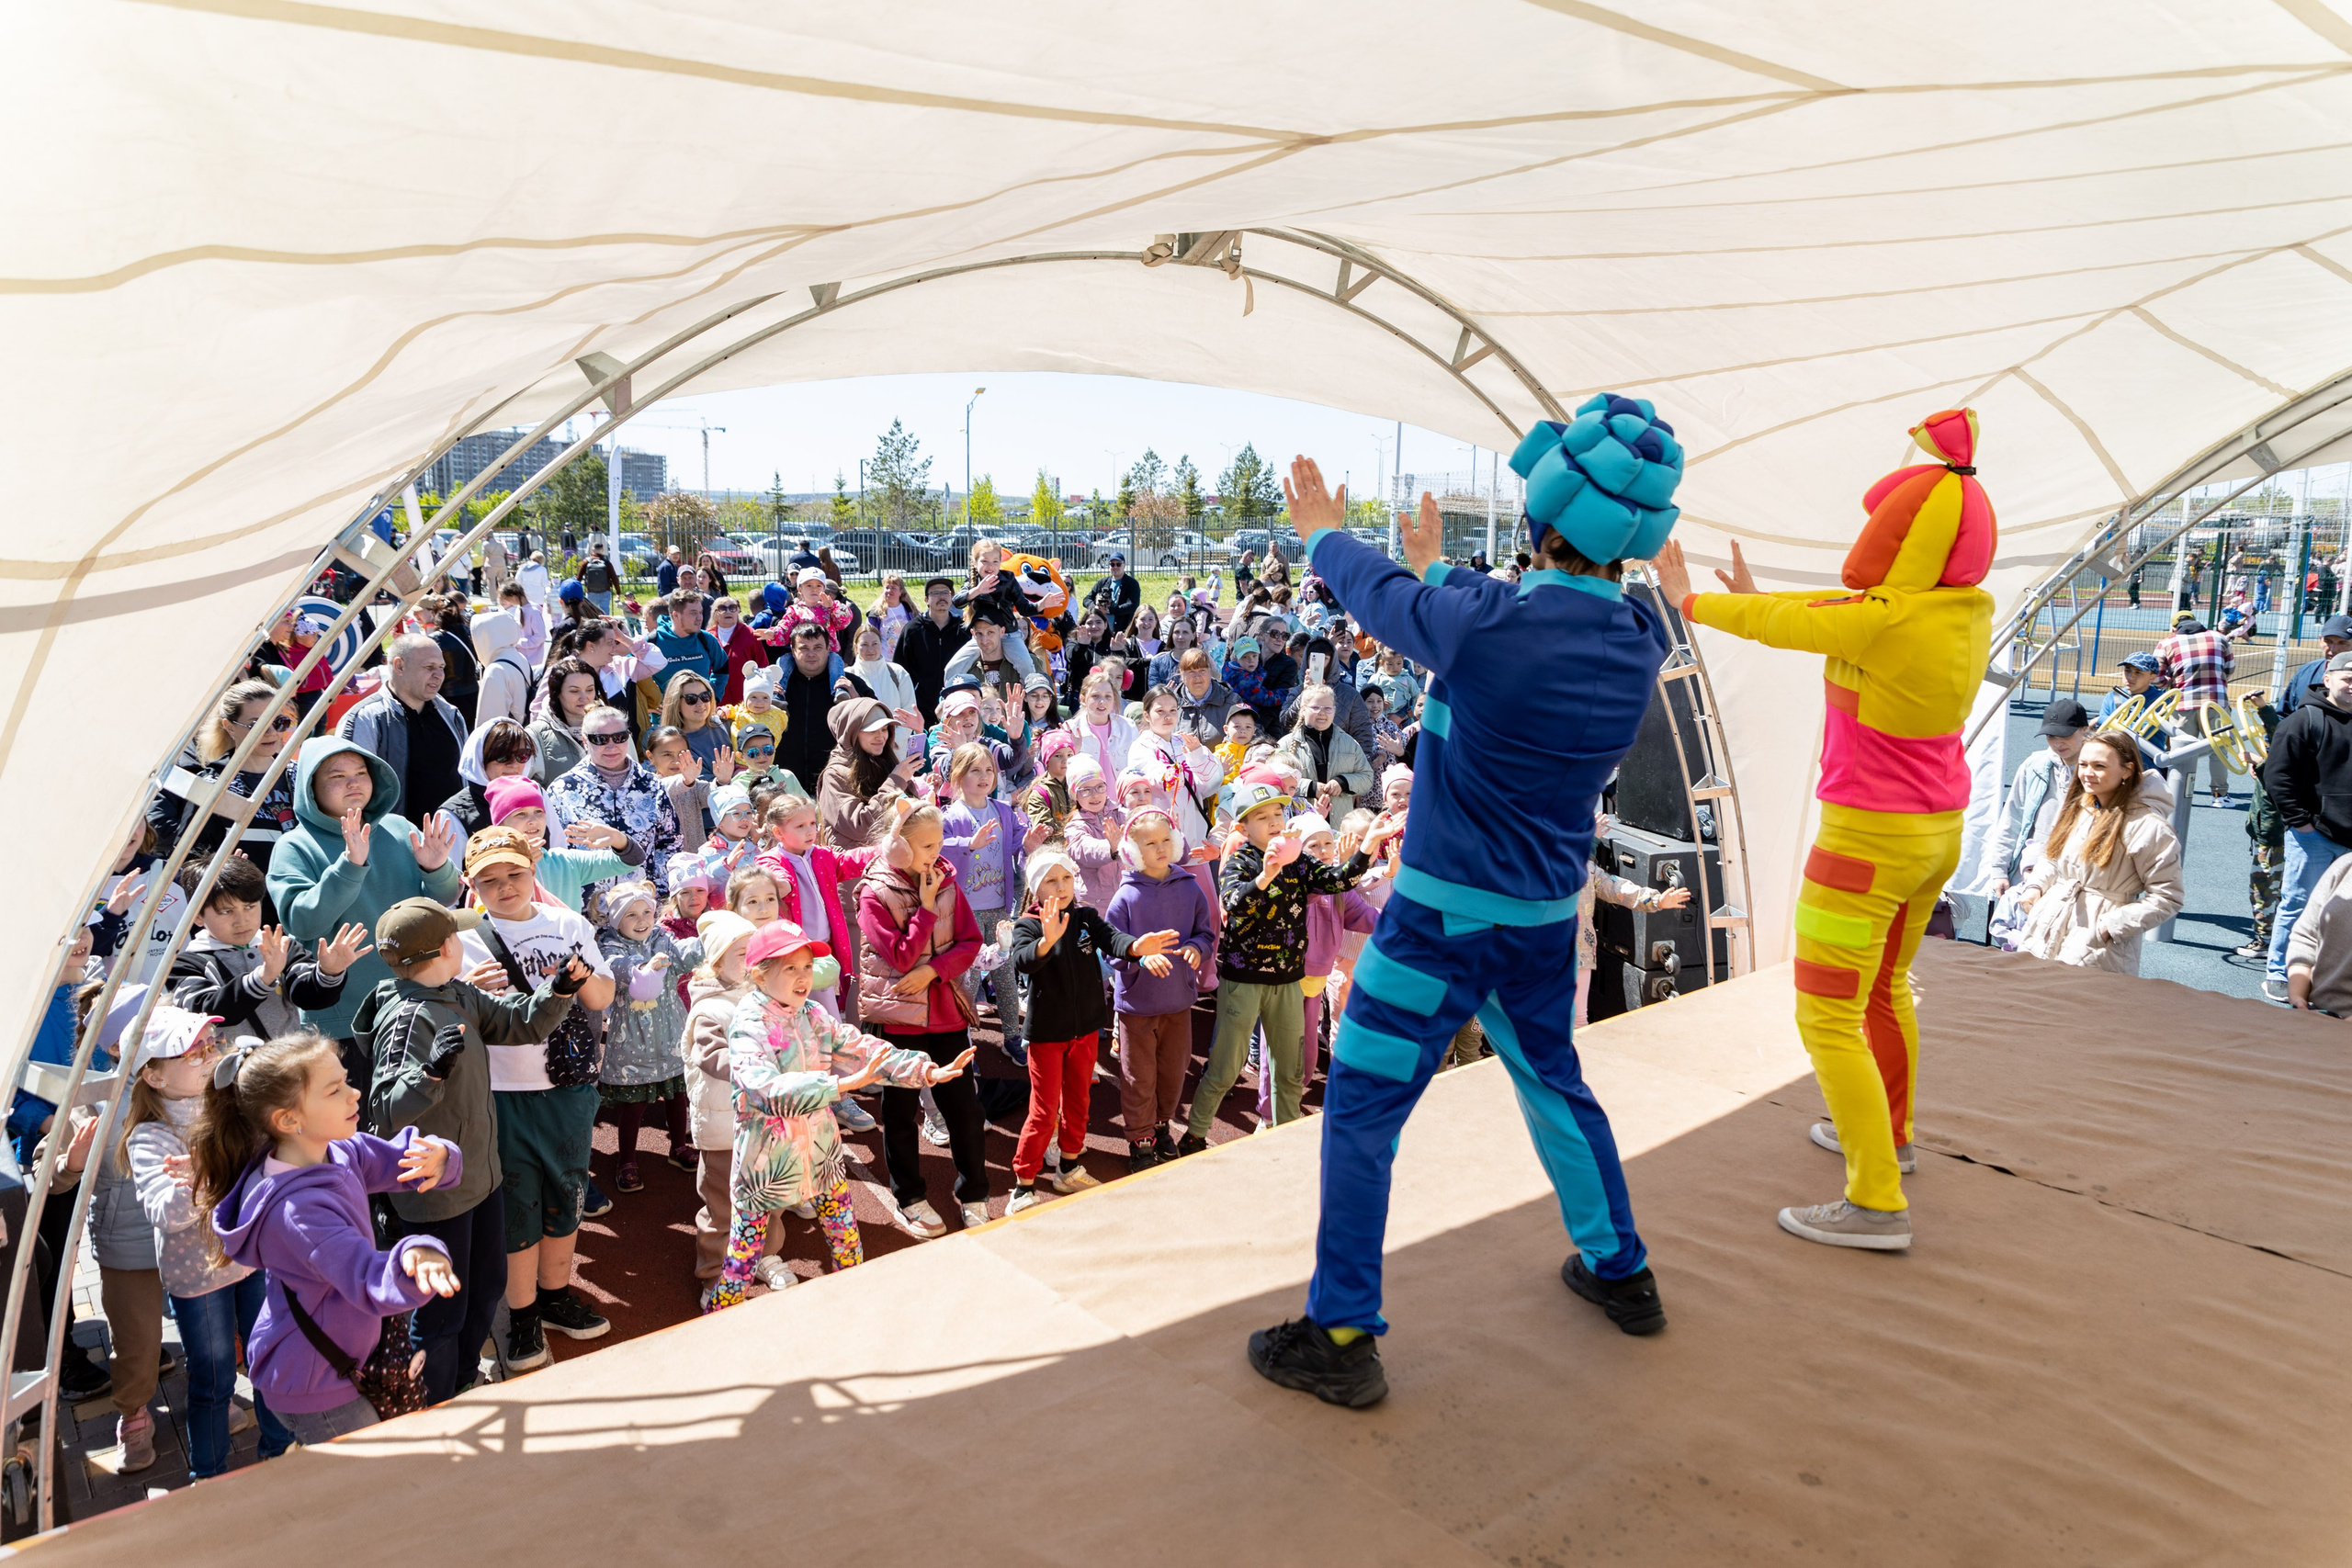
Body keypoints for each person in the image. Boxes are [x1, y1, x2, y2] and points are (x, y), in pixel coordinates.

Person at [1252, 407, 1692, 1409]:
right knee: (1555, 1088)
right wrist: (1440, 567)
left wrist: (1324, 527)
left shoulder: (1486, 626)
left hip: (1437, 925)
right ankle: (1621, 1270)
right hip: (1542, 922)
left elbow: (1379, 593)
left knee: (1361, 1115)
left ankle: (1340, 1330)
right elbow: (1491, 611)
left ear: (1537, 519)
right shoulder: (1634, 637)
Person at [1658, 407, 1994, 1261]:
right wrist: (1748, 602)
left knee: (1827, 1015)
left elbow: (1812, 621)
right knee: (1886, 990)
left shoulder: (1884, 617)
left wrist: (1690, 600)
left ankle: (1876, 1199)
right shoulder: (1959, 613)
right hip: (1935, 836)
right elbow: (1830, 611)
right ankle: (1893, 1134)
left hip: (1865, 845)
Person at [356, 893, 586, 1401]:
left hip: (479, 1177)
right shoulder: (409, 1018)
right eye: (457, 936)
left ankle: (459, 1379)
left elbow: (519, 1024)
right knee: (441, 1312)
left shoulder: (456, 993)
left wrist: (560, 989)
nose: (463, 942)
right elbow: (384, 1112)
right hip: (436, 1194)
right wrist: (430, 1072)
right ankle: (435, 1400)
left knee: (485, 1288)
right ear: (442, 948)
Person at [198, 1032, 461, 1443]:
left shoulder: (336, 1150)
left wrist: (439, 1156)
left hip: (333, 1363)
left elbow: (400, 1161)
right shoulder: (298, 1214)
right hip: (316, 1384)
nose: (355, 1094)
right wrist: (420, 1249)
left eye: (346, 1081)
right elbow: (366, 1276)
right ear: (289, 1120)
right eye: (335, 1089)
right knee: (373, 1488)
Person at [706, 920, 967, 1310]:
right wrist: (837, 1087)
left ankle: (852, 1304)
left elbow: (862, 1048)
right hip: (766, 1164)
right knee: (743, 1261)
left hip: (822, 1152)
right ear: (759, 974)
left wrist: (925, 1070)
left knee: (846, 1240)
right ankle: (718, 1317)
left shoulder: (812, 1013)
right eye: (790, 968)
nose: (803, 977)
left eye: (807, 967)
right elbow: (760, 1088)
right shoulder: (748, 1023)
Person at [449, 830, 618, 1371]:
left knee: (566, 1194)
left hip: (567, 1087)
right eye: (488, 879)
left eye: (514, 874)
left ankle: (554, 1295)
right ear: (468, 883)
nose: (504, 887)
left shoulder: (568, 924)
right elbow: (448, 1018)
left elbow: (603, 996)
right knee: (517, 1206)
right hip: (500, 1092)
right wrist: (468, 990)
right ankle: (521, 1316)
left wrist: (575, 976)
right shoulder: (463, 936)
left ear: (533, 869)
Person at [121, 1010, 298, 1475]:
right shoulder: (150, 1136)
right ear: (154, 1075)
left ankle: (280, 1456)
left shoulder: (234, 1107)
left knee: (270, 1358)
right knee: (214, 1379)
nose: (208, 1054)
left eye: (210, 1044)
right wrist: (204, 1177)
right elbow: (164, 1213)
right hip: (198, 1279)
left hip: (253, 1260)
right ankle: (210, 1476)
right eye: (192, 1050)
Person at [266, 739, 462, 1093]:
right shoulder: (294, 846)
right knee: (359, 1132)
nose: (354, 783)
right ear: (310, 788)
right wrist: (350, 865)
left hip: (417, 1005)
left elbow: (444, 900)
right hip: (343, 1020)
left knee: (422, 1124)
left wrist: (436, 870)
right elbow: (302, 922)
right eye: (337, 776)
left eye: (361, 773)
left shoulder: (399, 828)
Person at [1003, 851, 1176, 1213]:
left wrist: (1134, 946)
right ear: (1036, 889)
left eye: (1066, 878)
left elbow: (1111, 938)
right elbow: (1023, 961)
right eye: (1051, 880)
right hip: (1048, 1036)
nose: (1061, 886)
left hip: (1083, 1033)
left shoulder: (1084, 918)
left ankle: (1068, 1167)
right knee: (1044, 1109)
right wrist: (1046, 941)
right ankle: (1023, 1184)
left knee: (1079, 1102)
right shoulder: (1029, 926)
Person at [854, 803, 988, 1238]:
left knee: (964, 1111)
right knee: (900, 1112)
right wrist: (926, 908)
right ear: (898, 847)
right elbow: (900, 956)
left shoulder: (946, 879)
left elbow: (970, 941)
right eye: (927, 845)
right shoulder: (874, 893)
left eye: (939, 842)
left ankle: (974, 1193)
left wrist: (935, 971)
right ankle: (909, 1196)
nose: (937, 852)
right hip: (899, 1022)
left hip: (945, 1015)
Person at [2010, 728, 2184, 973]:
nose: (2087, 774)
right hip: (2048, 924)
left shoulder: (2148, 826)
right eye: (2083, 764)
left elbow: (2168, 897)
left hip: (2097, 944)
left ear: (2127, 770)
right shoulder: (2079, 809)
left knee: (2079, 1007)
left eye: (2099, 766)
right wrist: (2035, 888)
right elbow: (2053, 857)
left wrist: (2111, 926)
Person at [1102, 808, 1215, 1169]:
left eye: (1167, 840)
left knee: (1173, 1070)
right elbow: (1112, 947)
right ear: (1132, 851)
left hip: (1179, 1001)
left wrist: (1198, 948)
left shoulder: (1190, 886)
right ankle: (1140, 1138)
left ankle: (1162, 1124)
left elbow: (1206, 932)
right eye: (1150, 843)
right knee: (1139, 1075)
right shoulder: (1125, 897)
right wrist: (1137, 957)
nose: (1161, 848)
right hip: (1137, 1006)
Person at [168, 854, 367, 1043]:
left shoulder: (281, 946)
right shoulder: (186, 964)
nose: (242, 920)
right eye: (227, 911)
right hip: (227, 1074)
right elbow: (207, 1012)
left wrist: (328, 972)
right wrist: (263, 977)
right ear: (197, 916)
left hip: (288, 1065)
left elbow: (309, 998)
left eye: (250, 906)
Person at [148, 681, 303, 902]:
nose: (271, 732)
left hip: (303, 907)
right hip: (245, 912)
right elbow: (191, 862)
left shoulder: (301, 775)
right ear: (229, 727)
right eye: (256, 724)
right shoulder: (213, 786)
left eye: (279, 722)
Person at [940, 743, 1045, 1059]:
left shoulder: (1002, 810)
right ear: (958, 776)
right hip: (965, 913)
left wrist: (1027, 843)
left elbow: (1015, 847)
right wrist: (968, 844)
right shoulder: (951, 816)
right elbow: (939, 849)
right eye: (975, 770)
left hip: (999, 908)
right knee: (967, 980)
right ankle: (962, 1040)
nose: (985, 776)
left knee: (1005, 976)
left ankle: (1013, 1037)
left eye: (989, 770)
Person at [2260, 649, 2352, 1003]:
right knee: (2298, 905)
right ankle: (2281, 974)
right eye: (2347, 678)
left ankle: (2331, 978)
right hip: (2314, 837)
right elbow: (2277, 776)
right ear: (2328, 679)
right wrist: (2301, 823)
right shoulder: (2304, 721)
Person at [595, 882, 698, 1195]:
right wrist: (644, 969)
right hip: (633, 1041)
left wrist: (708, 941)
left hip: (671, 1033)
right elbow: (620, 970)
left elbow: (683, 956)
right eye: (631, 915)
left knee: (678, 1095)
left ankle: (678, 1147)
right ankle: (627, 1160)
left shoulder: (662, 938)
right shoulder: (610, 947)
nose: (642, 920)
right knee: (634, 1104)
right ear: (615, 920)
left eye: (647, 912)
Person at [543, 704, 686, 901]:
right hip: (587, 909)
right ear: (585, 741)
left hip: (642, 908)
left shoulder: (652, 785)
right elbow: (554, 853)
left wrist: (658, 890)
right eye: (600, 739)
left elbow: (671, 842)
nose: (611, 746)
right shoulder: (562, 789)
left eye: (619, 737)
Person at [337, 633, 469, 819]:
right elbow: (348, 792)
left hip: (450, 839)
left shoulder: (450, 714)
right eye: (429, 667)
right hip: (393, 842)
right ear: (399, 666)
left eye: (441, 667)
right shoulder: (366, 719)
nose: (439, 675)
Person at [1979, 697, 2092, 895]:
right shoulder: (2034, 766)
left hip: (2078, 876)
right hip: (2030, 872)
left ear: (2085, 729)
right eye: (2051, 735)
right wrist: (1999, 870)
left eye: (2065, 734)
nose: (2058, 742)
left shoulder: (2098, 769)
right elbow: (2012, 818)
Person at [779, 624, 876, 796]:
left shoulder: (849, 684)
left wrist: (856, 699)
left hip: (837, 781)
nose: (811, 654)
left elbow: (876, 721)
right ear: (793, 650)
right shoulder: (778, 686)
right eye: (804, 648)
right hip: (786, 783)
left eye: (817, 647)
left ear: (828, 649)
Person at [2154, 613, 2237, 807]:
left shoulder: (2167, 643)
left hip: (2182, 704)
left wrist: (2170, 681)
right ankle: (2220, 796)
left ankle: (2176, 794)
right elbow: (2230, 669)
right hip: (2216, 702)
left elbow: (2157, 678)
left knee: (2180, 752)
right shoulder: (2220, 638)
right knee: (2219, 748)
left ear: (2175, 628)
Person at [1276, 683, 1374, 822]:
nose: (1322, 713)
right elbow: (1275, 781)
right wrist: (1310, 787)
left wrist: (1343, 782)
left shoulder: (1349, 743)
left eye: (1328, 708)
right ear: (1303, 710)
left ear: (1334, 711)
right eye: (1315, 708)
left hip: (1339, 825)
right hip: (1301, 826)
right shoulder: (1285, 744)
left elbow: (1367, 777)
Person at [441, 716, 537, 840]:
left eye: (522, 755)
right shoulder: (453, 816)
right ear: (480, 759)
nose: (514, 765)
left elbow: (558, 849)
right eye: (503, 757)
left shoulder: (538, 794)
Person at [897, 576, 971, 724]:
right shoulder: (912, 630)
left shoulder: (963, 629)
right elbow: (900, 669)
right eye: (935, 593)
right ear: (926, 600)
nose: (942, 597)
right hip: (920, 707)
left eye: (946, 592)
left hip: (957, 707)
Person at [848, 619, 922, 762]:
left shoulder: (897, 673)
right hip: (862, 755)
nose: (870, 649)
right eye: (864, 644)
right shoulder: (848, 675)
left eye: (875, 644)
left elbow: (910, 710)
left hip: (896, 754)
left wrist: (893, 741)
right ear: (856, 647)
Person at [529, 655, 602, 784]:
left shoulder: (613, 725)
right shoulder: (535, 735)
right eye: (574, 691)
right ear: (557, 694)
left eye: (590, 690)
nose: (584, 698)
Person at [1070, 668, 1139, 778]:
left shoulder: (1128, 727)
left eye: (1108, 696)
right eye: (1095, 696)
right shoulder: (1071, 729)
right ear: (1083, 699)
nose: (1102, 702)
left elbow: (1138, 765)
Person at [2279, 614, 2352, 715]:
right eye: (2328, 641)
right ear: (2320, 640)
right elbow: (2283, 714)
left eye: (2342, 643)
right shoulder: (2305, 672)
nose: (2333, 649)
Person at [707, 595, 768, 705]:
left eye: (732, 607)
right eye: (722, 608)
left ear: (737, 611)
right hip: (716, 700)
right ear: (715, 613)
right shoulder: (707, 637)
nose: (728, 611)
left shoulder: (749, 633)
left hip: (745, 699)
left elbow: (762, 663)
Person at [1085, 553, 1143, 633]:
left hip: (1122, 629)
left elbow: (1133, 605)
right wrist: (1095, 608)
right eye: (1112, 564)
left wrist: (1110, 610)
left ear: (1124, 565)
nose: (1115, 567)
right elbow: (1087, 599)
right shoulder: (1102, 582)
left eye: (1118, 564)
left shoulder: (1132, 584)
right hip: (1102, 631)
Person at [579, 544, 616, 614]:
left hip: (590, 592)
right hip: (605, 591)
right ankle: (605, 624)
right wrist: (618, 592)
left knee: (590, 612)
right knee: (605, 613)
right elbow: (614, 578)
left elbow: (578, 578)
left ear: (592, 550)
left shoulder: (586, 562)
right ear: (602, 550)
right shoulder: (607, 563)